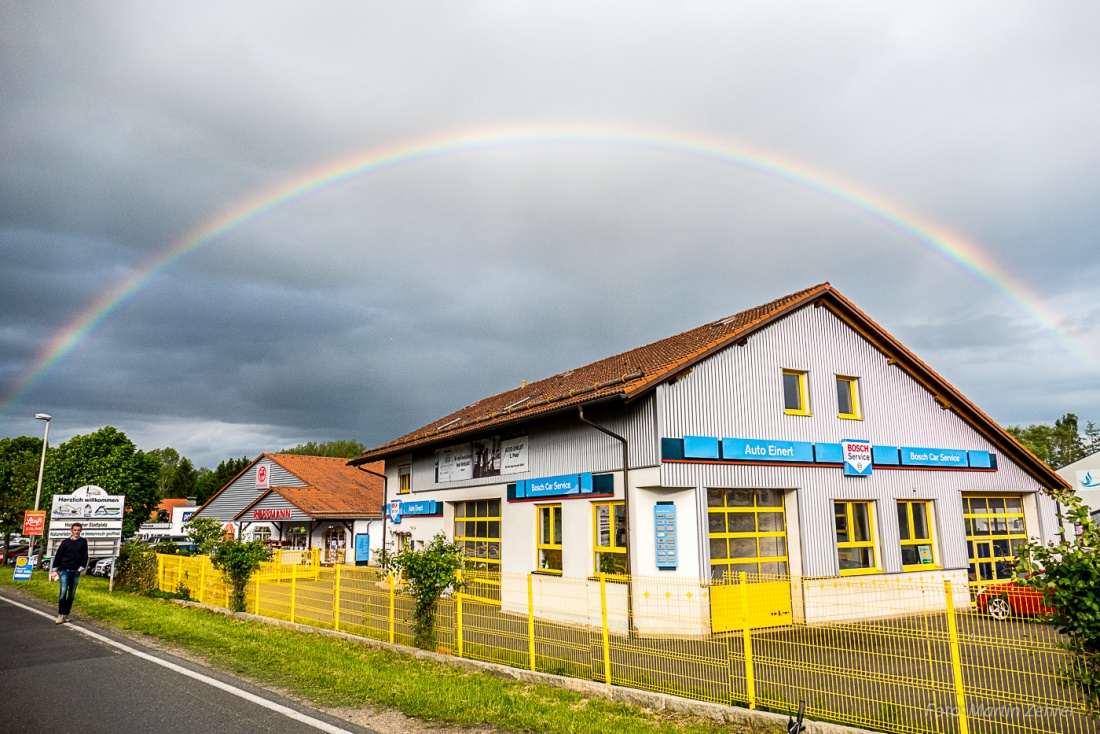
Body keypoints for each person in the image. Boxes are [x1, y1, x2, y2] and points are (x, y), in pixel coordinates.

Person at [49, 523, 88, 624]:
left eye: (78, 530)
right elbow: (58, 555)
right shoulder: (65, 542)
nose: (76, 532)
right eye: (75, 530)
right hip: (65, 570)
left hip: (76, 570)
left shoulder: (83, 542)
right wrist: (54, 569)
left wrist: (81, 567)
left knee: (71, 594)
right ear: (71, 530)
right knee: (63, 592)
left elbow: (85, 555)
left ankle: (66, 613)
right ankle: (61, 614)